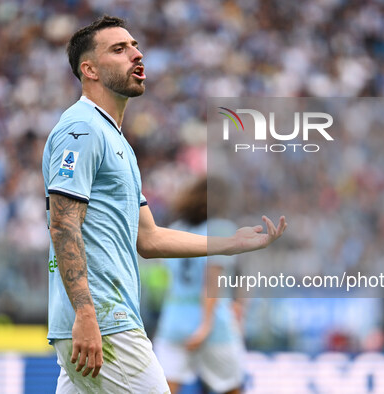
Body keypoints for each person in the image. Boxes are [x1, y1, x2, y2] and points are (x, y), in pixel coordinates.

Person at [42, 15, 287, 393]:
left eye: (136, 46)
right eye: (119, 49)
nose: (137, 55)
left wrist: (229, 244)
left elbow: (150, 238)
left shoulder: (117, 141)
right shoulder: (82, 129)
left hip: (101, 319)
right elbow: (63, 223)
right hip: (106, 322)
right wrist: (87, 313)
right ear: (88, 69)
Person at [155, 177, 246, 394]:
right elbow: (212, 280)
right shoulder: (221, 229)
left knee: (164, 388)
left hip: (174, 321)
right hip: (214, 324)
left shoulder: (175, 229)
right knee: (231, 387)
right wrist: (205, 325)